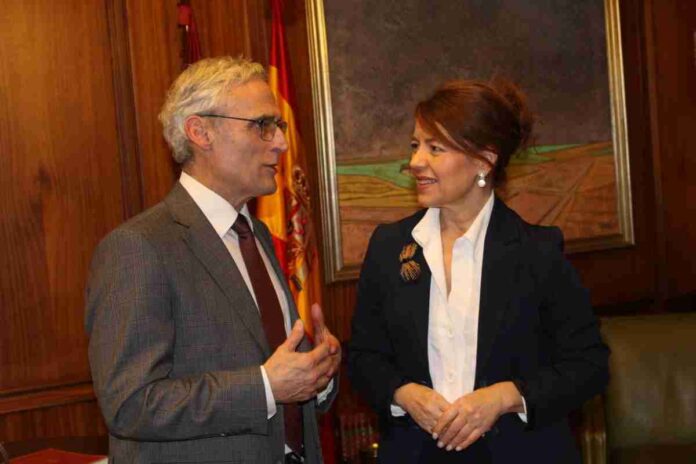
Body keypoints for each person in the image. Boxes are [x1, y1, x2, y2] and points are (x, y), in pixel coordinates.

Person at [85, 56, 340, 464]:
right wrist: (265, 387)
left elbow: (278, 370)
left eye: (278, 125)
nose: (280, 142)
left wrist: (316, 376)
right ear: (200, 132)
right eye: (262, 125)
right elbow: (130, 404)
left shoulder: (254, 234)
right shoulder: (138, 247)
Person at [348, 79, 609, 463]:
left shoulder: (537, 252)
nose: (416, 161)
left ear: (484, 161)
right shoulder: (389, 247)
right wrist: (403, 394)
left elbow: (589, 365)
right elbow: (363, 357)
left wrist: (505, 397)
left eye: (435, 148)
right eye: (415, 145)